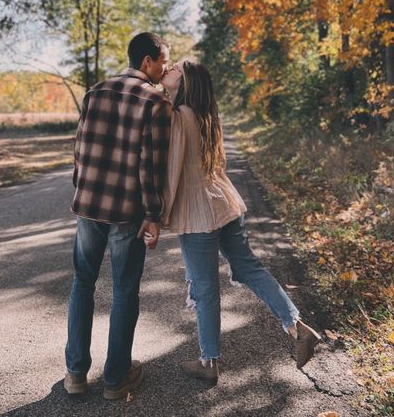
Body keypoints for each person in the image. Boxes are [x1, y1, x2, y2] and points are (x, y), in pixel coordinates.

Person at [154, 60, 321, 383]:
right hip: (224, 203)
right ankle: (297, 327)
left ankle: (209, 362)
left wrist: (160, 214)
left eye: (175, 69)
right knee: (248, 268)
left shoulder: (179, 116)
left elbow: (172, 170)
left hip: (198, 212)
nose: (169, 69)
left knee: (204, 289)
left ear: (185, 82)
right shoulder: (205, 114)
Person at [64, 32, 171, 400]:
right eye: (162, 61)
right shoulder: (156, 101)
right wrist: (153, 214)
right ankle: (115, 378)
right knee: (125, 290)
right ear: (147, 61)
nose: (165, 68)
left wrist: (80, 189)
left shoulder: (95, 91)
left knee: (83, 282)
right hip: (126, 212)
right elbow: (151, 166)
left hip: (89, 206)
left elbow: (80, 149)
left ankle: (76, 373)